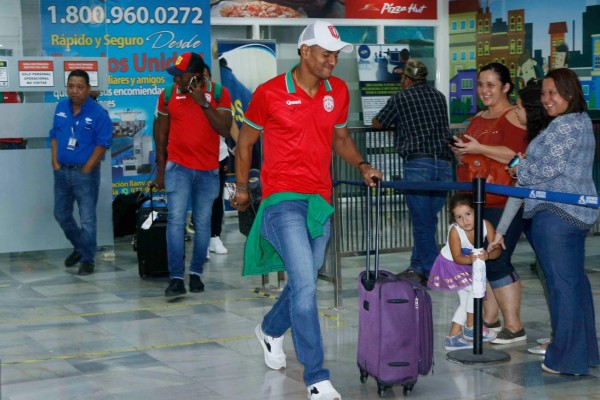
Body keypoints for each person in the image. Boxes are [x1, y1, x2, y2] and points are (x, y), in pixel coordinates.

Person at [233, 20, 382, 400]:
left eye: (336, 54)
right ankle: (316, 377)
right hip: (282, 200)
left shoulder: (338, 91)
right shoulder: (269, 94)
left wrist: (362, 165)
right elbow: (245, 142)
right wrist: (243, 190)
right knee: (304, 288)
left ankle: (269, 329)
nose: (332, 60)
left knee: (305, 281)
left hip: (320, 200)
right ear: (304, 51)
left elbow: (341, 139)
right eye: (325, 53)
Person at [516, 68, 599, 375]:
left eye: (553, 93)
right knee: (575, 285)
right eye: (544, 93)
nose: (547, 100)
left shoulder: (564, 126)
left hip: (556, 215)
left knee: (562, 287)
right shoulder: (581, 122)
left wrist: (521, 170)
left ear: (570, 93)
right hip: (575, 214)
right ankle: (586, 353)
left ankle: (565, 358)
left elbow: (548, 169)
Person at [451, 62, 528, 344]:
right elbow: (475, 154)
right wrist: (463, 153)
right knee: (483, 261)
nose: (484, 90)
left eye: (491, 85)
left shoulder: (513, 117)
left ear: (506, 87)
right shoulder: (480, 117)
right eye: (481, 84)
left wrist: (478, 148)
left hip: (504, 200)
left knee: (497, 260)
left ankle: (514, 326)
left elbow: (516, 156)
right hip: (479, 199)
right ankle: (490, 320)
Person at [153, 52, 232, 297]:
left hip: (209, 169)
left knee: (203, 223)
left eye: (180, 75)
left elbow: (224, 128)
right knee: (176, 220)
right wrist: (160, 168)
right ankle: (176, 277)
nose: (176, 80)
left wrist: (203, 103)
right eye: (174, 75)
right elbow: (161, 133)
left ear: (196, 75)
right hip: (178, 167)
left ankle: (196, 273)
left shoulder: (219, 94)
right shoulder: (168, 95)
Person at [487, 79, 554, 355]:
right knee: (548, 274)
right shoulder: (538, 140)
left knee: (555, 277)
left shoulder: (547, 140)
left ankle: (562, 337)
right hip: (538, 214)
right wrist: (501, 230)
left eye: (519, 107)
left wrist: (520, 169)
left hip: (553, 217)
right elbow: (520, 186)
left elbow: (528, 180)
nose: (516, 112)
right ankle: (560, 335)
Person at [372, 59, 452, 285]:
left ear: (406, 79)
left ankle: (436, 270)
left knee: (422, 222)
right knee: (428, 220)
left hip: (418, 165)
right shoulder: (439, 97)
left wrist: (397, 127)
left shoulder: (401, 97)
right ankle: (418, 268)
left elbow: (378, 122)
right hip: (443, 167)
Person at [50, 69, 112, 276]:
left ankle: (88, 259)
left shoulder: (98, 113)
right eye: (71, 86)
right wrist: (55, 163)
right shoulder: (60, 107)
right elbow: (54, 136)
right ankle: (81, 246)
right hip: (62, 172)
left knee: (87, 219)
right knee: (60, 214)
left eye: (79, 87)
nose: (74, 91)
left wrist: (87, 169)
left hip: (85, 174)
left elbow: (102, 144)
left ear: (88, 89)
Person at [428, 193, 501, 351]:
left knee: (466, 300)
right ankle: (471, 327)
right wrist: (473, 259)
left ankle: (452, 339)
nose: (464, 220)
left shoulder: (486, 225)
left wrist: (487, 255)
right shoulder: (455, 231)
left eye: (468, 214)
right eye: (459, 217)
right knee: (477, 290)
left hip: (467, 265)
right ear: (454, 219)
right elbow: (457, 258)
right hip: (450, 265)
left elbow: (498, 250)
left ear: (477, 210)